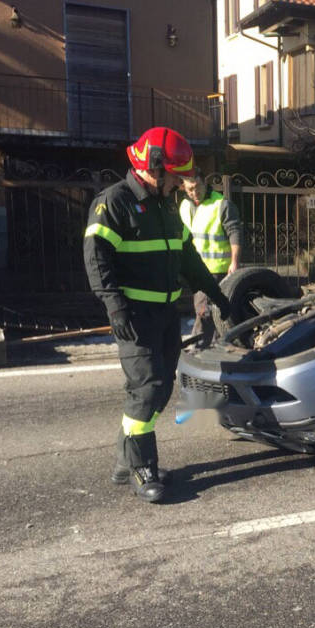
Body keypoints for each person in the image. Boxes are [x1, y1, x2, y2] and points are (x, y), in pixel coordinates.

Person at [83, 127, 231, 503]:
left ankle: (124, 460)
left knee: (160, 388)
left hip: (165, 313)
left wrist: (217, 294)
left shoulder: (163, 205)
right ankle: (141, 467)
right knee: (147, 390)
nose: (181, 185)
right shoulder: (114, 202)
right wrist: (114, 305)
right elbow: (96, 257)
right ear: (154, 167)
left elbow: (187, 258)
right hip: (135, 316)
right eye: (176, 177)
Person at [178, 168, 243, 343]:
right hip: (197, 270)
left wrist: (234, 261)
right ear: (183, 188)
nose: (194, 192)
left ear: (204, 183)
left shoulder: (221, 204)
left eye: (197, 186)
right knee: (208, 312)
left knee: (205, 313)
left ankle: (199, 347)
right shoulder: (184, 206)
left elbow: (235, 232)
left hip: (219, 270)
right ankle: (215, 345)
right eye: (190, 189)